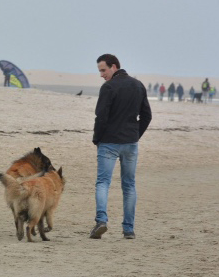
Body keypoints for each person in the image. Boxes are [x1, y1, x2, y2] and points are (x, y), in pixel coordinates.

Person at [90, 54, 152, 240]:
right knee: (129, 185)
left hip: (109, 142)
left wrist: (97, 139)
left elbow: (101, 117)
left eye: (103, 70)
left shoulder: (108, 87)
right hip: (130, 143)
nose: (101, 74)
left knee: (103, 183)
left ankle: (101, 221)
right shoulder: (138, 85)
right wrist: (135, 135)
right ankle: (129, 229)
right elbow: (146, 116)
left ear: (114, 66)